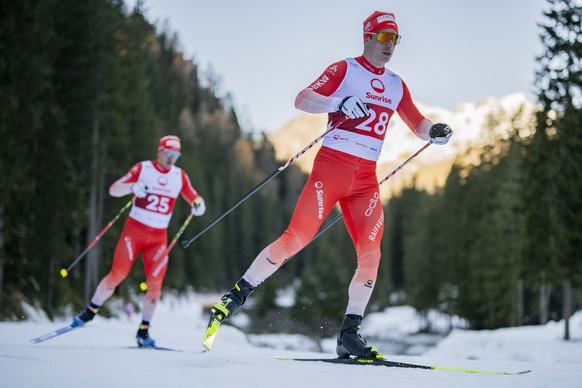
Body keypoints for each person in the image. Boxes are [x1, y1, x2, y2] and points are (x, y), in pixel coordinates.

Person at [207, 11, 452, 358]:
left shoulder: (396, 83)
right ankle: (237, 295)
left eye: (394, 39)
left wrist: (435, 132)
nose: (389, 46)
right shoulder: (345, 70)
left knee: (371, 254)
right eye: (383, 38)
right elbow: (303, 99)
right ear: (367, 37)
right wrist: (339, 102)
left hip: (366, 178)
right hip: (332, 168)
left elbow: (416, 122)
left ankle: (349, 334)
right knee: (297, 238)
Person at [72, 135, 206, 347]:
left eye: (176, 155)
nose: (172, 159)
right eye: (169, 154)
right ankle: (89, 312)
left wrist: (198, 204)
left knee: (155, 284)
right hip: (134, 232)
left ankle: (143, 331)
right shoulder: (143, 169)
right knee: (118, 274)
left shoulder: (179, 175)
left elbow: (193, 196)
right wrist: (133, 187)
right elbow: (114, 189)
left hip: (158, 237)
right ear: (160, 151)